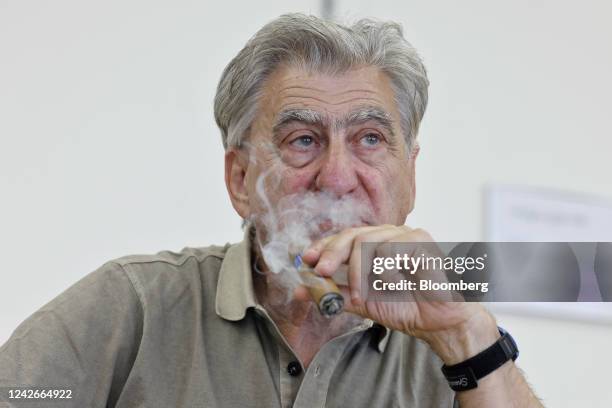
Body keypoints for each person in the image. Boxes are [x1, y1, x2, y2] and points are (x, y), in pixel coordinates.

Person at [0, 13, 543, 407]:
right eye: (303, 140)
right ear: (240, 179)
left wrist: (466, 337)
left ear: (411, 175)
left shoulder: (454, 351)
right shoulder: (134, 307)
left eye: (371, 139)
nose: (336, 176)